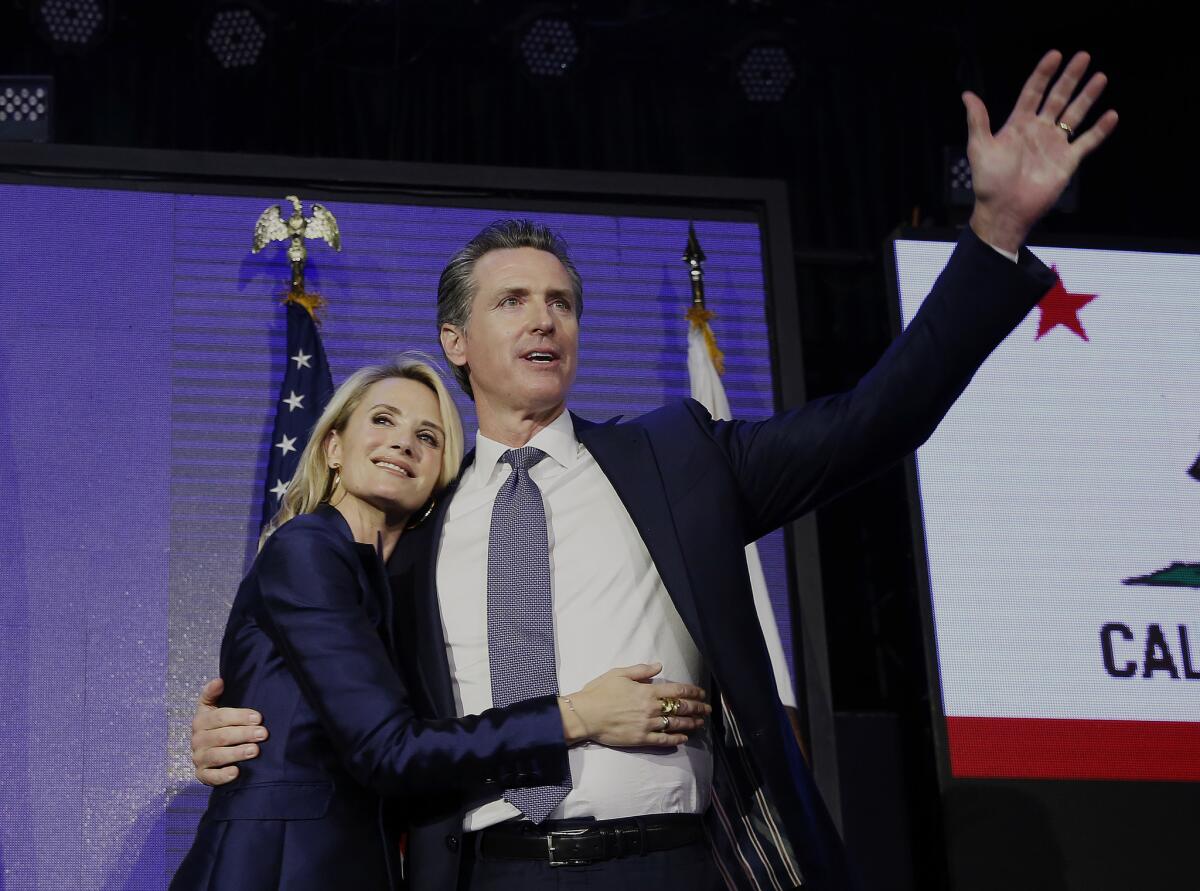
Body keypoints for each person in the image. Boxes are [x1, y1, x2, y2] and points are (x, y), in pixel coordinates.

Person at [192, 50, 1117, 890]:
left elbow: (874, 421)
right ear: (457, 343)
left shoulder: (679, 457)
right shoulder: (411, 539)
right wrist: (230, 736)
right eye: (512, 300)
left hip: (670, 864)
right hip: (484, 875)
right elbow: (368, 729)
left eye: (560, 302)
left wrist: (993, 235)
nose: (543, 318)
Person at [171, 356, 711, 891]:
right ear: (333, 446)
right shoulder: (308, 549)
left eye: (427, 437)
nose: (404, 442)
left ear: (440, 479)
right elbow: (391, 751)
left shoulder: (388, 588)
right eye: (382, 420)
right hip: (276, 869)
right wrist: (579, 715)